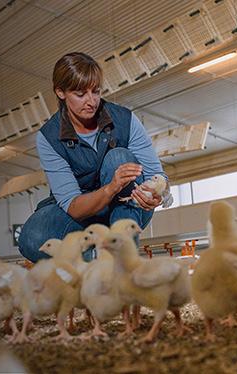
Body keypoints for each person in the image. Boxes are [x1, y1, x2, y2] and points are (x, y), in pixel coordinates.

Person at [17, 52, 168, 262]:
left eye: (96, 91)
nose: (92, 101)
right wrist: (110, 188)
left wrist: (156, 194)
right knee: (33, 238)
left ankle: (124, 263)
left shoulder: (125, 120)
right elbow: (72, 206)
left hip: (126, 209)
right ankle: (90, 261)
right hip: (82, 213)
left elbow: (157, 175)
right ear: (61, 92)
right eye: (80, 94)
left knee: (118, 158)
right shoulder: (49, 137)